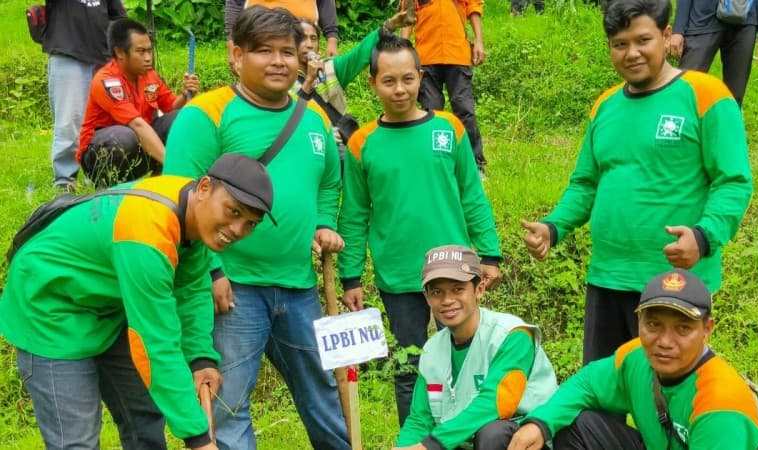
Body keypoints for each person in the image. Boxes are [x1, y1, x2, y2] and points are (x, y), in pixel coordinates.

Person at [521, 0, 753, 366]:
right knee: (602, 398)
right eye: (619, 44)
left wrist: (704, 236)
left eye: (642, 40)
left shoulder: (705, 94)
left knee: (670, 406)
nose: (632, 53)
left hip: (675, 286)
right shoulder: (605, 106)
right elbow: (585, 184)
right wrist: (553, 227)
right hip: (607, 277)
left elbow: (734, 181)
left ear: (665, 36)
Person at [162, 7, 349, 450]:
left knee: (324, 393)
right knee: (228, 403)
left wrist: (324, 223)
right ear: (236, 54)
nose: (279, 61)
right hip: (232, 291)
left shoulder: (314, 118)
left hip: (300, 287)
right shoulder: (206, 114)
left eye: (289, 51)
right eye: (264, 51)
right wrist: (211, 271)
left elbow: (328, 183)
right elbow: (179, 199)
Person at [0, 153, 276, 450]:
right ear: (205, 188)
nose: (237, 230)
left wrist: (200, 358)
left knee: (143, 418)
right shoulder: (146, 234)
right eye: (233, 212)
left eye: (250, 224)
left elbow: (192, 286)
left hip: (107, 304)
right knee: (76, 441)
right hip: (49, 308)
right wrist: (199, 439)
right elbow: (155, 344)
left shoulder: (192, 207)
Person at [338, 33, 503, 427]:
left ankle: (467, 434)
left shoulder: (449, 130)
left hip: (456, 270)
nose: (400, 90)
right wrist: (350, 277)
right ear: (372, 82)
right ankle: (415, 439)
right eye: (389, 81)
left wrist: (491, 253)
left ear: (421, 76)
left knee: (468, 362)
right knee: (409, 368)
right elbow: (355, 214)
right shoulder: (363, 144)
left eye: (408, 79)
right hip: (400, 276)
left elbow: (472, 196)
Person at [507, 268, 758, 450]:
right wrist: (540, 423)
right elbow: (586, 384)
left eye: (683, 329)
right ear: (639, 321)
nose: (664, 341)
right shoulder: (636, 356)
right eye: (654, 324)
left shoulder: (720, 406)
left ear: (707, 330)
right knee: (576, 423)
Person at [393, 245, 558, 450]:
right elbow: (420, 419)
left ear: (479, 290)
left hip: (520, 440)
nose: (447, 300)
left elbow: (496, 403)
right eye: (437, 292)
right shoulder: (432, 350)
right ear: (427, 297)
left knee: (492, 433)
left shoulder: (512, 335)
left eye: (458, 289)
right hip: (458, 442)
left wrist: (430, 445)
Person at [78, 18, 200, 187]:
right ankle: (110, 189)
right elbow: (137, 125)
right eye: (141, 52)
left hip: (140, 144)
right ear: (120, 53)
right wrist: (173, 164)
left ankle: (159, 186)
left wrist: (186, 94)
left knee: (181, 118)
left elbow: (171, 108)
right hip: (105, 151)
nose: (148, 58)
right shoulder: (106, 81)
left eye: (149, 51)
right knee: (124, 137)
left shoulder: (149, 75)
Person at [295, 12, 414, 167]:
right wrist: (309, 80)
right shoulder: (283, 80)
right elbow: (287, 118)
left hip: (342, 139)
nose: (309, 44)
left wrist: (389, 26)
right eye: (302, 39)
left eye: (313, 38)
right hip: (310, 144)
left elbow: (360, 54)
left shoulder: (331, 68)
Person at [42, 0, 126, 191]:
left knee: (105, 119)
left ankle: (100, 172)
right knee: (69, 120)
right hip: (68, 54)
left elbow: (118, 16)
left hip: (103, 56)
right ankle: (65, 179)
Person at [400, 0, 488, 174]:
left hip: (457, 55)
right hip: (426, 57)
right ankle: (432, 162)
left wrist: (479, 42)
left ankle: (476, 165)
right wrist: (403, 49)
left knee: (464, 110)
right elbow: (408, 16)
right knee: (430, 113)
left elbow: (473, 7)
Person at [668, 0, 758, 106]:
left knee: (734, 98)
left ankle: (727, 122)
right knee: (686, 87)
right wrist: (678, 29)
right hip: (702, 18)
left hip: (744, 18)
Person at [225, 0, 341, 74]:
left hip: (302, 41)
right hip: (259, 39)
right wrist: (232, 45)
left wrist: (332, 38)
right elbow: (234, 4)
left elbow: (325, 3)